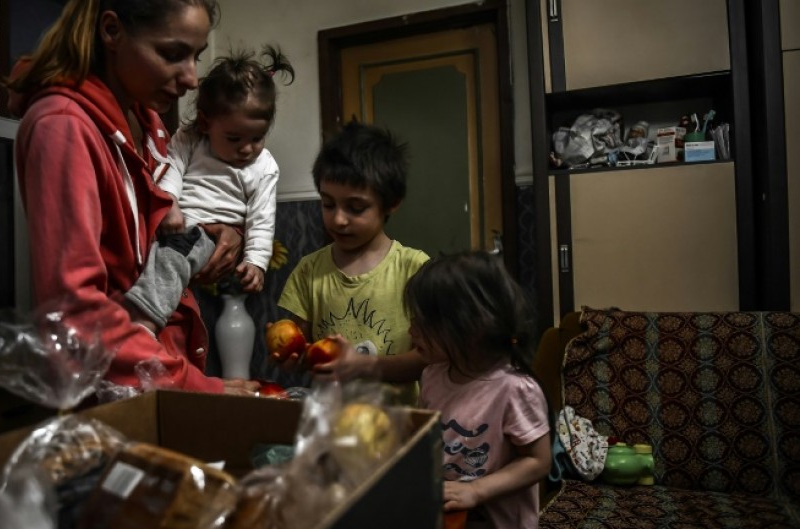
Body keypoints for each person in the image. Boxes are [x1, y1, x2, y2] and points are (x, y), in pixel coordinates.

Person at [7, 0, 257, 396]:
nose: (192, 78)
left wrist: (212, 234)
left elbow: (148, 246)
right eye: (172, 54)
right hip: (116, 390)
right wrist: (200, 389)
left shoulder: (148, 124)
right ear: (112, 31)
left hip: (161, 373)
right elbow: (76, 314)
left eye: (195, 56)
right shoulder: (63, 126)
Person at [124, 45, 294, 332]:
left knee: (174, 257)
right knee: (159, 257)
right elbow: (173, 166)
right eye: (234, 138)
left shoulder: (264, 166)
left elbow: (262, 218)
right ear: (205, 123)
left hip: (205, 236)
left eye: (257, 138)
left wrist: (256, 262)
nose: (247, 148)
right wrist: (169, 202)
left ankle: (144, 321)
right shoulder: (191, 138)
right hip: (174, 223)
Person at [275, 121, 429, 403]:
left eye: (355, 208)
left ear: (391, 203)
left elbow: (430, 358)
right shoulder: (309, 271)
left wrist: (364, 366)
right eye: (328, 204)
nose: (338, 219)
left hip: (397, 421)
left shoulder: (415, 269)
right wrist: (291, 356)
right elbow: (305, 353)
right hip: (331, 418)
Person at [406, 251, 551, 528]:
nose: (411, 331)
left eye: (423, 323)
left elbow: (538, 461)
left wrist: (476, 490)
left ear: (472, 327)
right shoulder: (432, 375)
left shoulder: (515, 388)